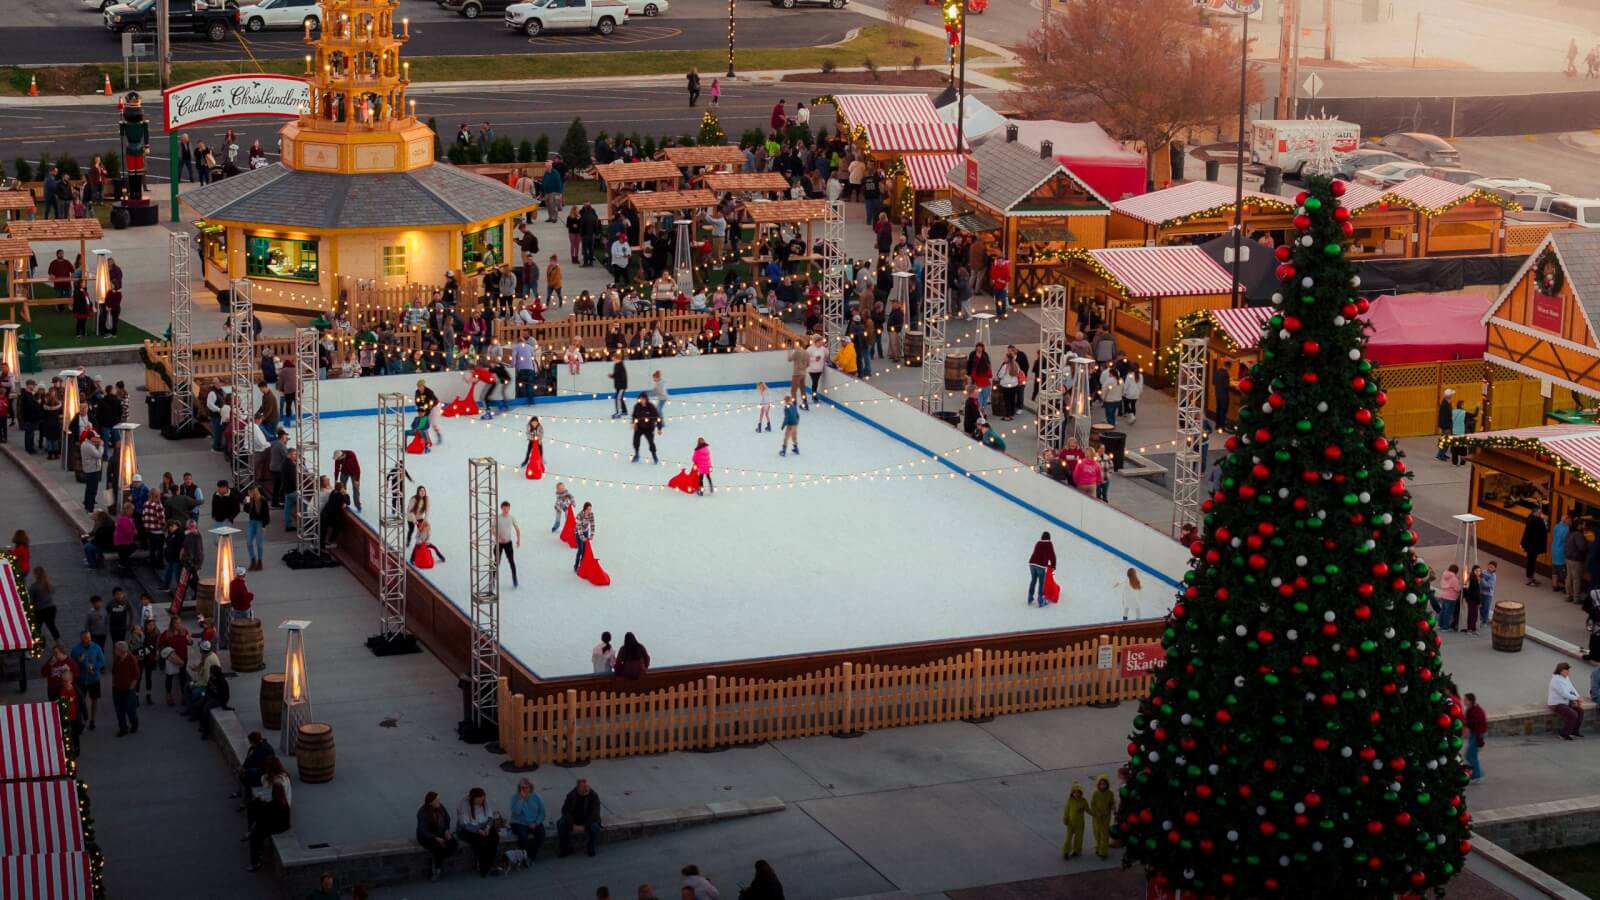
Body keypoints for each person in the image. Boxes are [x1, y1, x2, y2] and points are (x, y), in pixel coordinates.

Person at [246, 760, 292, 871]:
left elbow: (268, 812)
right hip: (282, 821)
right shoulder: (282, 784)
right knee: (257, 812)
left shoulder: (276, 800)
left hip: (279, 824)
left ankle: (255, 863)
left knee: (256, 832)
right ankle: (259, 847)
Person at [456, 787, 503, 877]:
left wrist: (488, 828)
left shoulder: (484, 801)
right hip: (467, 829)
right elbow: (465, 824)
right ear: (472, 798)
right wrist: (478, 830)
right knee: (480, 841)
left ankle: (489, 863)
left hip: (484, 826)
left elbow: (490, 817)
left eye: (482, 800)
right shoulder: (464, 804)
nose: (480, 802)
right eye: (478, 800)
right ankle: (483, 867)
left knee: (494, 838)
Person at [417, 792, 459, 881]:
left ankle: (437, 860)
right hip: (428, 836)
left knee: (453, 844)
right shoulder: (423, 812)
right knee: (438, 848)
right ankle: (436, 869)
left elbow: (447, 819)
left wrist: (447, 830)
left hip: (440, 832)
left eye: (439, 799)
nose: (439, 802)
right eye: (436, 800)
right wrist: (436, 838)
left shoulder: (440, 807)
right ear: (430, 802)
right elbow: (423, 830)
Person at [557, 778, 603, 858]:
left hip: (588, 821)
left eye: (587, 787)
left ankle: (591, 846)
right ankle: (566, 847)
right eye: (584, 787)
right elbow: (565, 811)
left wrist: (584, 826)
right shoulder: (571, 795)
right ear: (577, 788)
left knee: (595, 826)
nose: (586, 789)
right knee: (560, 823)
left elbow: (595, 814)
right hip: (574, 820)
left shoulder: (594, 796)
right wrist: (572, 825)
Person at [70, 630, 105, 729]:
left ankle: (92, 720)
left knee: (94, 700)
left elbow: (102, 661)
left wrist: (94, 666)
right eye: (85, 638)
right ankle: (82, 720)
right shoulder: (76, 650)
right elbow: (71, 664)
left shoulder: (96, 648)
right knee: (81, 701)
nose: (88, 640)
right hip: (81, 680)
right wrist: (79, 661)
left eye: (89, 638)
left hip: (94, 679)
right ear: (81, 639)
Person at [508, 778, 546, 861]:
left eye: (526, 787)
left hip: (534, 822)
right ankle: (525, 856)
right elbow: (515, 812)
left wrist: (536, 822)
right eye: (522, 788)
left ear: (530, 788)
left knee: (541, 834)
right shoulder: (515, 797)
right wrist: (521, 799)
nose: (524, 789)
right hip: (519, 823)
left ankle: (531, 856)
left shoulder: (536, 797)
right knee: (523, 837)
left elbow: (542, 812)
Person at [110, 640, 140, 736]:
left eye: (116, 649)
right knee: (119, 710)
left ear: (122, 650)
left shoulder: (131, 659)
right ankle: (123, 728)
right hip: (117, 689)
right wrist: (113, 685)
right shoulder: (117, 659)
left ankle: (134, 724)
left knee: (130, 710)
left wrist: (131, 688)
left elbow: (136, 676)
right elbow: (114, 672)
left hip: (128, 690)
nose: (114, 650)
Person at [1550, 662, 1585, 739]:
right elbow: (1564, 693)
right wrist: (1576, 698)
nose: (1567, 672)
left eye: (1568, 670)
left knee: (1580, 711)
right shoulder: (1555, 680)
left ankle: (1574, 731)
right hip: (1556, 703)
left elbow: (1572, 688)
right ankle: (1563, 734)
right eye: (1565, 670)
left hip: (1565, 703)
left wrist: (1578, 697)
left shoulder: (1566, 678)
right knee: (1573, 714)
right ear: (1560, 670)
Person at [496, 500, 521, 588]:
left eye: (508, 508)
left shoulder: (511, 517)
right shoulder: (497, 518)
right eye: (504, 508)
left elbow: (517, 529)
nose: (506, 510)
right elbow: (493, 530)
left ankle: (515, 579)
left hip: (508, 543)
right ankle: (492, 581)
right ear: (501, 508)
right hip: (499, 543)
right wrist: (498, 537)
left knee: (511, 562)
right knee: (496, 562)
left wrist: (518, 540)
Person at [1522, 506, 1549, 586]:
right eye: (1540, 512)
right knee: (1531, 562)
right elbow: (1542, 530)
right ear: (1535, 512)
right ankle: (1529, 579)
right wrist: (1545, 520)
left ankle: (1531, 578)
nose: (1541, 514)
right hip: (1533, 545)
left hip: (1531, 544)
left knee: (1532, 562)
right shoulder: (1535, 520)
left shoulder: (1531, 519)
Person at [1089, 773, 1115, 858]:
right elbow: (1092, 804)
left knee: (1104, 833)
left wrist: (1112, 809)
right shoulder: (1096, 794)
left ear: (1107, 785)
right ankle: (1099, 846)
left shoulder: (1110, 793)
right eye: (1101, 784)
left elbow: (1112, 803)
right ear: (1098, 785)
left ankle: (1103, 851)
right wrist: (1096, 812)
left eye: (1104, 784)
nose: (1102, 786)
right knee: (1097, 833)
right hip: (1097, 817)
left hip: (1106, 817)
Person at [1028, 531, 1055, 607]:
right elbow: (1052, 555)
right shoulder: (1049, 544)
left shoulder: (1038, 543)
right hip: (1040, 565)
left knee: (1033, 580)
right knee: (1041, 582)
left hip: (1032, 563)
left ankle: (1029, 597)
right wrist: (1053, 566)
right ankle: (1040, 600)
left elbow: (1036, 552)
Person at [1463, 693, 1486, 781]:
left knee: (1469, 755)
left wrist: (1480, 741)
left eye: (1465, 700)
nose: (1463, 701)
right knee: (1473, 755)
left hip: (1477, 734)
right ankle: (1478, 773)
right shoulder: (1470, 710)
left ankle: (1476, 775)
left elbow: (1478, 728)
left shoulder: (1476, 711)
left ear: (1470, 701)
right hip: (1474, 734)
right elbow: (1469, 723)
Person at [30, 566, 58, 641]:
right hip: (51, 608)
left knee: (37, 627)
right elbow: (52, 592)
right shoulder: (48, 583)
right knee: (51, 625)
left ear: (36, 575)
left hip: (40, 610)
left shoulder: (34, 586)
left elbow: (31, 599)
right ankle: (58, 642)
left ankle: (37, 642)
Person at [632, 393, 661, 464]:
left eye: (643, 399)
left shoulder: (651, 407)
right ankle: (636, 454)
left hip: (649, 428)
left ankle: (654, 456)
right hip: (639, 427)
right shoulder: (637, 406)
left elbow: (657, 418)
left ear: (646, 399)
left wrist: (659, 428)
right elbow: (634, 415)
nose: (642, 400)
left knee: (651, 442)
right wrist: (634, 423)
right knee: (635, 441)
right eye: (640, 399)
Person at [1061, 781, 1087, 858]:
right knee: (1068, 838)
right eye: (1074, 792)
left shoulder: (1083, 801)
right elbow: (1066, 811)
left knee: (1078, 838)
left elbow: (1088, 809)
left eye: (1078, 792)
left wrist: (1095, 814)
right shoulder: (1070, 801)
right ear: (1072, 793)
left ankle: (1077, 850)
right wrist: (1065, 819)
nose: (1076, 794)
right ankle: (1066, 851)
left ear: (1081, 793)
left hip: (1080, 824)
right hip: (1070, 823)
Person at [1437, 563, 1463, 631]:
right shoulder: (1454, 578)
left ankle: (1440, 624)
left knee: (1443, 611)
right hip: (1451, 598)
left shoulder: (1444, 575)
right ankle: (1445, 627)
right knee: (1448, 613)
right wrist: (1460, 583)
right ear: (1456, 571)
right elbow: (1458, 588)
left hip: (1444, 595)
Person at [1463, 564, 1484, 635]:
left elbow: (1466, 587)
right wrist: (1479, 602)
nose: (1478, 572)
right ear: (1473, 571)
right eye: (1477, 571)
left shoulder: (1474, 578)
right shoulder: (1473, 579)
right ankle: (1470, 629)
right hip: (1473, 600)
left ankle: (1473, 629)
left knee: (1474, 615)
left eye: (1479, 571)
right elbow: (1476, 592)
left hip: (1471, 599)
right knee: (1472, 615)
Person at [1211, 362, 1232, 432]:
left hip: (1217, 393)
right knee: (1223, 410)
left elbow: (1213, 382)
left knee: (1218, 409)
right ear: (1228, 367)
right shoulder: (1226, 374)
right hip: (1224, 395)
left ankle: (1217, 425)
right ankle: (1222, 427)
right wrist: (1232, 387)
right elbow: (1226, 386)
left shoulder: (1217, 371)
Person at [574, 502, 595, 573]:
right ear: (585, 509)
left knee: (585, 551)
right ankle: (576, 566)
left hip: (586, 532)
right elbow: (579, 528)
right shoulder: (579, 516)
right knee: (581, 550)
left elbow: (592, 525)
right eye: (588, 509)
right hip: (578, 533)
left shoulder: (591, 514)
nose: (590, 511)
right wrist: (582, 538)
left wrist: (591, 535)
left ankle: (582, 565)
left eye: (590, 509)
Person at [1435, 388, 1455, 461]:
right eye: (1451, 395)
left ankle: (1442, 453)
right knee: (1445, 440)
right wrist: (1446, 426)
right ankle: (1440, 455)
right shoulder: (1444, 404)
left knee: (1446, 440)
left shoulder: (1447, 402)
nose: (1452, 396)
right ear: (1448, 396)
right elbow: (1444, 416)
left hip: (1447, 424)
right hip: (1446, 425)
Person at [609, 353, 629, 419]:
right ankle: (624, 411)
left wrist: (614, 376)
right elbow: (616, 374)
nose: (613, 359)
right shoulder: (617, 365)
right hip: (618, 385)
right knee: (620, 398)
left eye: (614, 358)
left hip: (621, 386)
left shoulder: (621, 366)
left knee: (618, 399)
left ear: (617, 358)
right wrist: (612, 376)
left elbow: (622, 377)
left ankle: (618, 413)